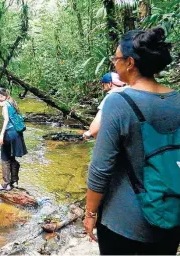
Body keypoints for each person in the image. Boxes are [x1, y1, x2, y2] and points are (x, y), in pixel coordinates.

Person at [84, 27, 180, 254]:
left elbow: (100, 169)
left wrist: (90, 214)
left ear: (129, 63)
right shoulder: (177, 99)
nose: (114, 63)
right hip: (172, 214)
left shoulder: (118, 102)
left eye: (116, 58)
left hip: (125, 222)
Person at [0, 88, 28, 191]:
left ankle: (6, 185)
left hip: (9, 133)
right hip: (17, 134)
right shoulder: (11, 101)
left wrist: (1, 135)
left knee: (5, 158)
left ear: (2, 96)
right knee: (12, 157)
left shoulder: (5, 104)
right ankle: (14, 181)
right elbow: (2, 104)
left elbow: (6, 119)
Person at [83, 72, 126, 139]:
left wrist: (89, 132)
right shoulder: (131, 91)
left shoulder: (111, 96)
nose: (103, 87)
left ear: (110, 84)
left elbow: (95, 128)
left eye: (103, 84)